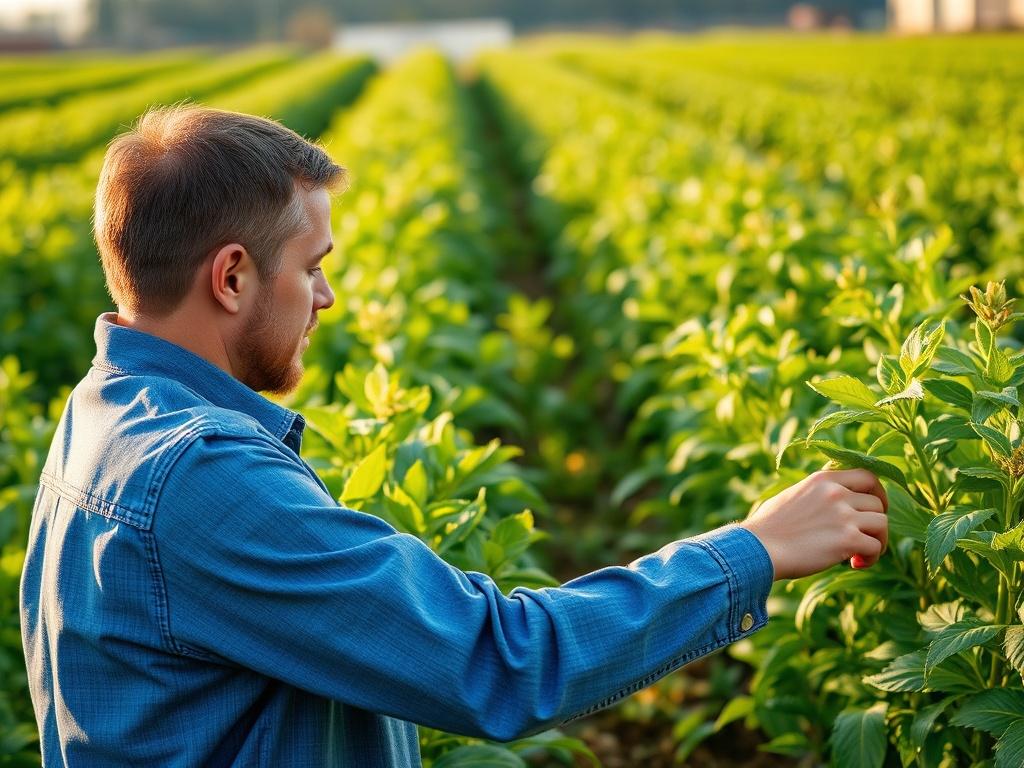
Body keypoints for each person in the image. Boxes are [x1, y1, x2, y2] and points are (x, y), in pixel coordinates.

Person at [19, 104, 888, 767]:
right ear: (233, 276)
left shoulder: (103, 413)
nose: (326, 298)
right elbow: (503, 663)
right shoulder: (199, 478)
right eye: (314, 267)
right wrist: (754, 550)